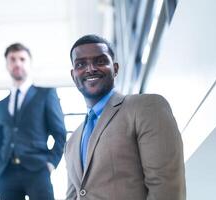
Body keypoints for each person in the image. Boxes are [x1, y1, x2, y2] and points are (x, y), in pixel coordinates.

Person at [65, 34, 186, 200]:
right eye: (81, 64)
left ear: (115, 69)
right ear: (73, 75)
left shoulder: (145, 107)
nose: (90, 68)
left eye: (100, 61)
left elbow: (166, 188)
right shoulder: (72, 142)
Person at [0, 43, 66, 200]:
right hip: (5, 173)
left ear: (29, 64)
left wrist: (51, 163)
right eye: (12, 59)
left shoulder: (46, 95)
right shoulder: (0, 105)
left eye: (22, 59)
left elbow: (60, 134)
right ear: (7, 65)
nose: (17, 63)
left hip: (38, 170)